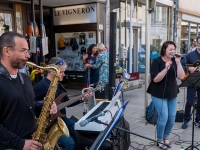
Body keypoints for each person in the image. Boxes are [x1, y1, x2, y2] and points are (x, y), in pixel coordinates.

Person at [0, 31, 57, 149]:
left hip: (33, 141)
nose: (28, 56)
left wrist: (45, 106)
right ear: (7, 51)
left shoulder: (25, 78)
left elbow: (27, 107)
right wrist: (20, 143)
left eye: (28, 51)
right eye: (23, 51)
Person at [34, 57, 92, 150]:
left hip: (62, 119)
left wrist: (82, 99)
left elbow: (67, 102)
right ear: (53, 71)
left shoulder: (59, 84)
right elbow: (31, 104)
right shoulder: (41, 86)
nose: (63, 74)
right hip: (49, 123)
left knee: (81, 136)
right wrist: (43, 105)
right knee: (70, 144)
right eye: (61, 72)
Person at [147, 41, 185, 149]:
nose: (172, 51)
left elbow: (181, 76)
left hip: (172, 92)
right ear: (164, 50)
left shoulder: (175, 61)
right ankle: (159, 140)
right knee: (164, 117)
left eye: (174, 49)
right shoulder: (156, 61)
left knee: (172, 117)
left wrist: (178, 63)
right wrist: (166, 68)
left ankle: (165, 137)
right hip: (158, 93)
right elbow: (156, 79)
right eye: (170, 49)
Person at [181, 36, 200, 129]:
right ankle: (186, 119)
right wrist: (188, 68)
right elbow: (181, 65)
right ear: (196, 43)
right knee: (189, 102)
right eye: (199, 43)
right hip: (192, 81)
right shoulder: (190, 55)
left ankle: (198, 120)